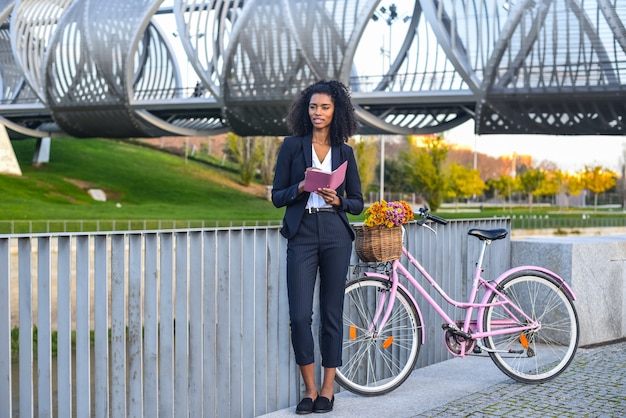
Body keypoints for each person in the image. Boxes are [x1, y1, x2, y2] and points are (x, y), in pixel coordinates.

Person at [272, 80, 363, 414]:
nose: (318, 113)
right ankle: (308, 390)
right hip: (303, 233)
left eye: (325, 107)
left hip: (335, 234)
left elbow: (357, 204)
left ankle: (328, 389)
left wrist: (337, 198)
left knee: (331, 314)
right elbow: (276, 196)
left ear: (336, 110)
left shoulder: (345, 152)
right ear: (305, 110)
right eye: (313, 107)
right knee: (299, 316)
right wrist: (301, 186)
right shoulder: (292, 146)